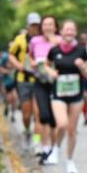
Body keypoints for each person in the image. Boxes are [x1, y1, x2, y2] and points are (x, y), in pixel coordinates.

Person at [46, 20, 87, 173]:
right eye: (67, 30)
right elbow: (45, 65)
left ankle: (70, 161)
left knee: (72, 130)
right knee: (62, 124)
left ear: (75, 32)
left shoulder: (81, 50)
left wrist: (83, 66)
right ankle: (56, 149)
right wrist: (50, 72)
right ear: (62, 32)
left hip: (76, 94)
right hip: (58, 93)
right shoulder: (54, 50)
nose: (69, 32)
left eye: (72, 30)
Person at [30, 16, 60, 163]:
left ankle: (54, 149)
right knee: (42, 116)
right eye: (45, 24)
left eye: (51, 24)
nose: (48, 27)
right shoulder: (35, 41)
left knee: (54, 120)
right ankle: (41, 145)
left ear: (55, 27)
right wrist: (34, 63)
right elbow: (29, 58)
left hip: (56, 84)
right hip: (40, 81)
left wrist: (55, 42)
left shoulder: (60, 41)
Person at [8, 14, 40, 150]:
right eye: (33, 25)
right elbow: (10, 55)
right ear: (28, 26)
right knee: (27, 114)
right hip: (24, 80)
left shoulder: (41, 40)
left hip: (40, 80)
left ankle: (38, 141)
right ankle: (27, 131)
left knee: (39, 114)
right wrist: (18, 65)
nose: (35, 28)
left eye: (37, 25)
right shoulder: (20, 40)